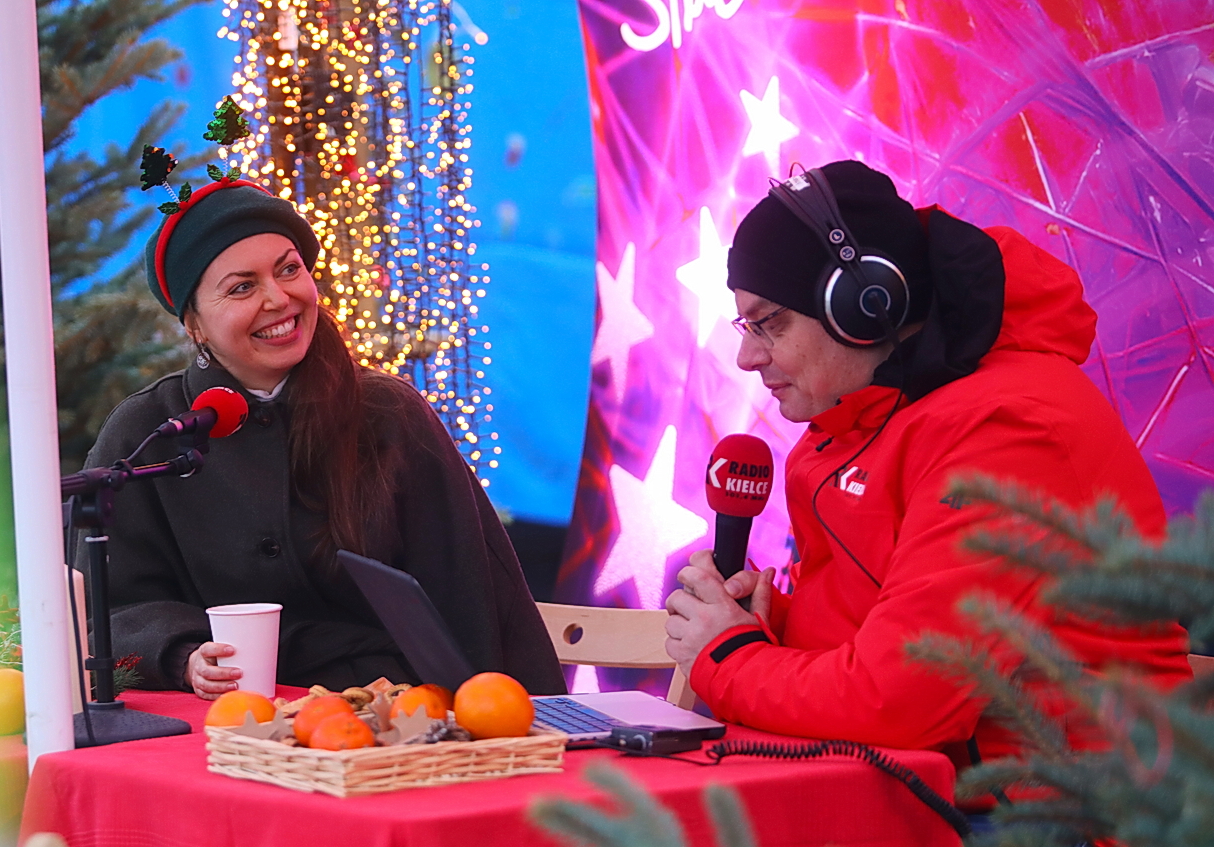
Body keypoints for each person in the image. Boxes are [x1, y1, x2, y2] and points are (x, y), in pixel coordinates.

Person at [664, 160, 1190, 763]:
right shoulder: (863, 420)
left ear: (863, 305)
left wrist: (731, 658)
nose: (746, 357)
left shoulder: (1006, 429)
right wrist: (766, 623)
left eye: (769, 324)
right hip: (942, 787)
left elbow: (900, 701)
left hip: (1068, 812)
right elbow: (880, 634)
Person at [83, 178, 565, 698]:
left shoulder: (389, 414)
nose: (278, 298)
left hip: (391, 714)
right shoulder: (148, 432)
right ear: (193, 324)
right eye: (242, 287)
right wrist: (182, 654)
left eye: (289, 270)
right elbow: (107, 608)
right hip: (230, 718)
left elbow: (474, 600)